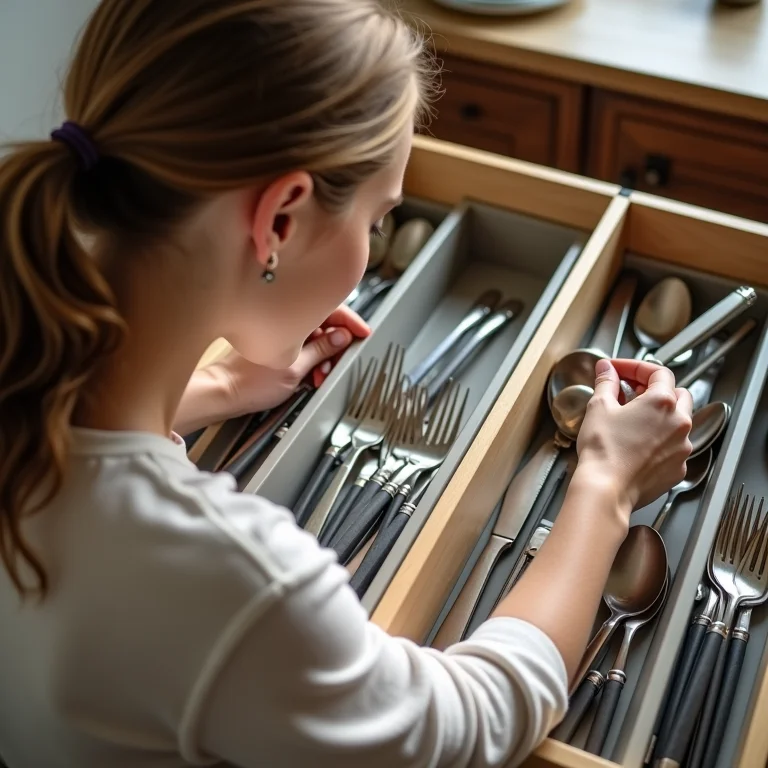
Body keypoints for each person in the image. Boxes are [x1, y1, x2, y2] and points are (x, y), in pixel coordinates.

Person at [0, 1, 693, 766]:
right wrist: (604, 489)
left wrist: (213, 389)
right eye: (377, 219)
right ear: (282, 219)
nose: (371, 246)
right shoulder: (235, 581)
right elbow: (475, 719)